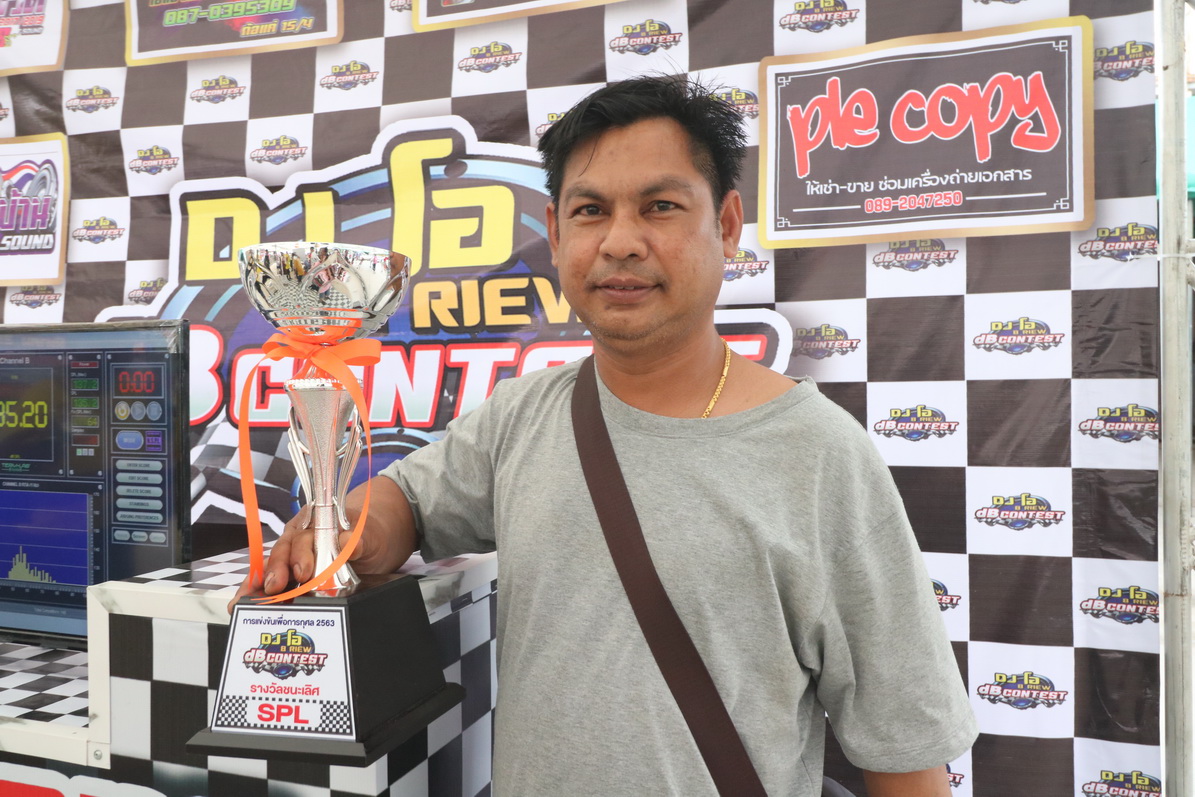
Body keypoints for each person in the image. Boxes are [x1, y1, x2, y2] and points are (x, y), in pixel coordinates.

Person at [233, 75, 977, 796]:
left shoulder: (819, 453)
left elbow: (906, 753)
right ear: (556, 234)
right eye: (591, 210)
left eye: (660, 206)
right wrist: (343, 529)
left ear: (725, 225)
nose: (621, 241)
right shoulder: (522, 414)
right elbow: (408, 500)